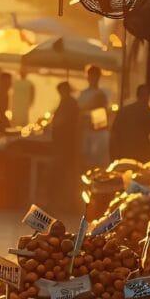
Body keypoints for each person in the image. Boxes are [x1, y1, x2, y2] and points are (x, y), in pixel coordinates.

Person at [51, 81, 82, 211]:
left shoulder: (69, 103)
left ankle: (67, 203)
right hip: (64, 143)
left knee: (65, 174)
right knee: (64, 173)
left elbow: (60, 121)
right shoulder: (67, 102)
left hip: (66, 144)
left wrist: (54, 125)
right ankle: (66, 202)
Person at [110, 84, 150, 163]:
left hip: (125, 152)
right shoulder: (149, 112)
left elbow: (114, 133)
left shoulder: (124, 111)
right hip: (141, 153)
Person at [78, 65, 110, 168]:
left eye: (95, 76)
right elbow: (79, 112)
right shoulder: (83, 94)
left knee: (98, 162)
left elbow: (103, 107)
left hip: (99, 131)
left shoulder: (103, 93)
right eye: (91, 76)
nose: (93, 78)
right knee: (86, 160)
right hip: (86, 130)